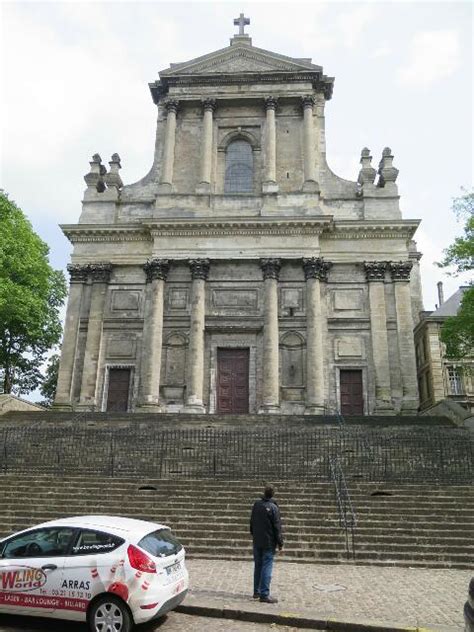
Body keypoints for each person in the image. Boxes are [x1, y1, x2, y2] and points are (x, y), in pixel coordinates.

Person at [250, 484, 283, 603]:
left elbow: (252, 522)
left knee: (258, 565)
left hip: (257, 540)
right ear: (273, 494)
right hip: (268, 542)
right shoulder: (273, 508)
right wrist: (280, 543)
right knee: (267, 566)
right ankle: (264, 594)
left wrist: (253, 534)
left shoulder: (257, 505)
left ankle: (256, 591)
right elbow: (277, 527)